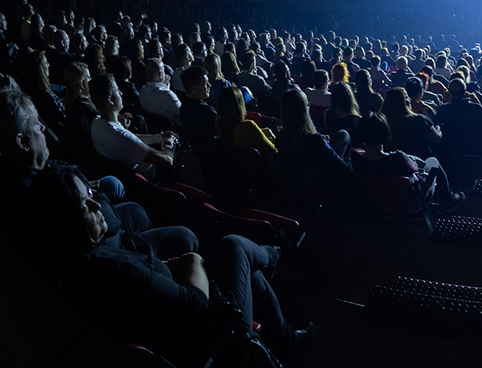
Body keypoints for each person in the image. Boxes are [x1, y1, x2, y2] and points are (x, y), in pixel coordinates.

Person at [24, 163, 313, 363]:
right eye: (85, 204)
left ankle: (286, 340)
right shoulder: (111, 268)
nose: (97, 205)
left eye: (92, 195)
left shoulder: (81, 264)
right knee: (234, 246)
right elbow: (196, 306)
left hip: (183, 328)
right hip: (215, 342)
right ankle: (276, 254)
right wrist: (192, 261)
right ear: (66, 222)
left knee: (248, 271)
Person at [351, 113, 463, 209]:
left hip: (375, 205)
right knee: (433, 161)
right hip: (407, 203)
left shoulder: (356, 158)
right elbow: (417, 168)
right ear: (385, 133)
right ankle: (448, 200)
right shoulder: (398, 158)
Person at [89, 74, 177, 178]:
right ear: (110, 100)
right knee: (176, 138)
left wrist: (157, 138)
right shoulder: (120, 136)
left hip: (128, 170)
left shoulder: (96, 122)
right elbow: (167, 160)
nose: (121, 93)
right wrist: (168, 143)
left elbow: (132, 139)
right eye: (117, 91)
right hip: (153, 173)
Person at [381, 87, 441, 159]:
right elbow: (436, 139)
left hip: (392, 161)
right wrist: (438, 127)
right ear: (406, 102)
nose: (409, 99)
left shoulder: (383, 121)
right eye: (407, 97)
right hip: (421, 161)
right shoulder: (419, 120)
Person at [215, 86, 277, 154]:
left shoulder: (218, 124)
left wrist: (264, 132)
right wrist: (271, 138)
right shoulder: (249, 126)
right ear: (240, 104)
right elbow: (272, 150)